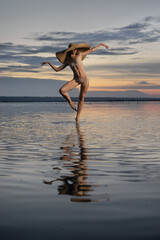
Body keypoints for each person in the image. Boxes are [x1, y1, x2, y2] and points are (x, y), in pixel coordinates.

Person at [41, 42, 108, 122]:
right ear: (70, 51)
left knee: (81, 99)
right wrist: (49, 63)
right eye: (73, 50)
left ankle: (77, 118)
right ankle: (71, 102)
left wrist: (101, 45)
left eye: (75, 49)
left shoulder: (80, 55)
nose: (74, 51)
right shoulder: (68, 61)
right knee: (62, 90)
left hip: (85, 80)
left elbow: (92, 50)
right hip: (76, 80)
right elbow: (57, 70)